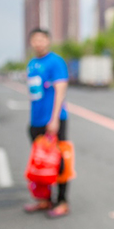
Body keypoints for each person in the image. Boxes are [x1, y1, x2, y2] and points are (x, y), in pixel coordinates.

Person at [24, 28, 71, 218]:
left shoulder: (56, 62)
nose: (38, 43)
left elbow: (60, 90)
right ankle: (44, 199)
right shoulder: (32, 64)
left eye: (42, 39)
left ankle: (62, 201)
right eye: (35, 40)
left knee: (58, 161)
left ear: (48, 41)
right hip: (36, 120)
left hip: (52, 120)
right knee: (41, 162)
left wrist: (54, 119)